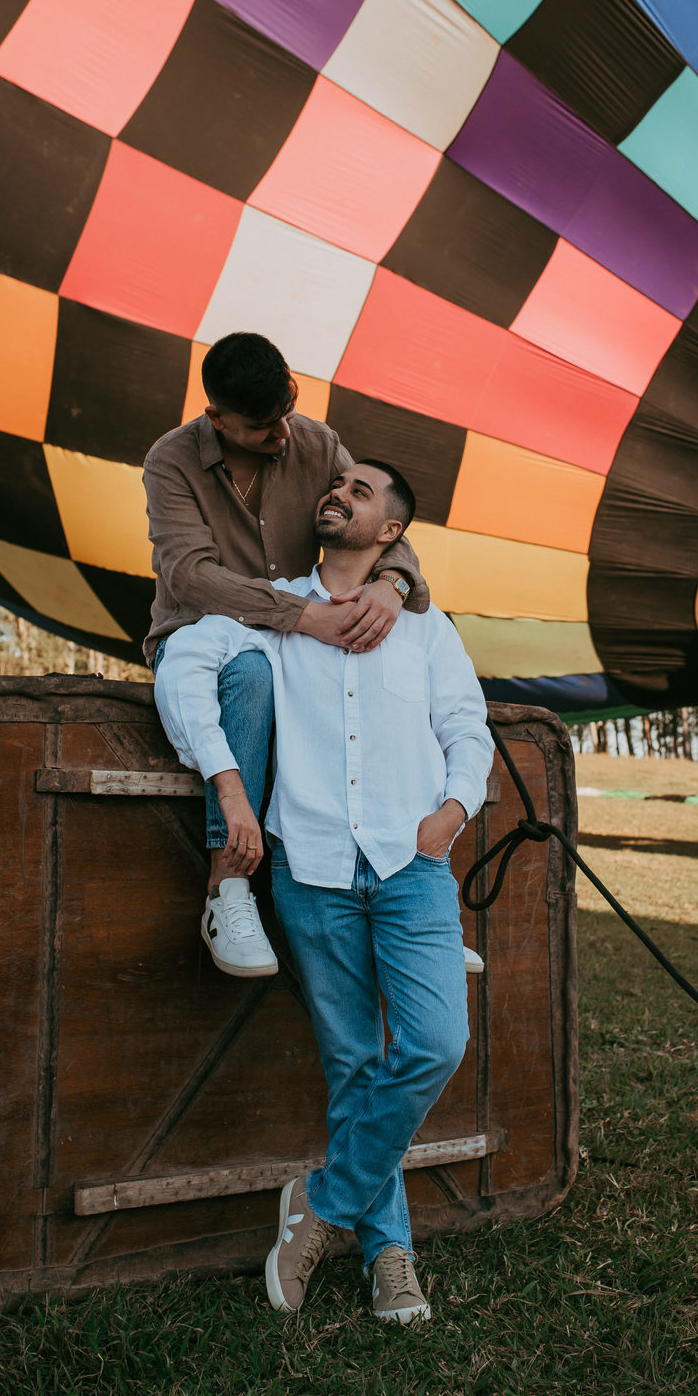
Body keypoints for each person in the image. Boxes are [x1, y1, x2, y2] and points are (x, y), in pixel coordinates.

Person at [154, 460, 494, 1324]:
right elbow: (185, 665)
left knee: (435, 1044)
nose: (338, 488)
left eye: (364, 488)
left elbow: (467, 728)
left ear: (391, 534)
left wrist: (451, 813)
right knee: (353, 1065)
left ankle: (323, 1203)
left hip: (411, 864)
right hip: (310, 870)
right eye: (335, 479)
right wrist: (228, 782)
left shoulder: (425, 629)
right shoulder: (273, 613)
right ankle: (391, 1259)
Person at [143, 332, 427, 976]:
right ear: (217, 418)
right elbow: (189, 576)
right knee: (250, 675)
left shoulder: (316, 441)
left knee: (387, 682)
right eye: (264, 427)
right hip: (207, 641)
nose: (283, 433)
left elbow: (380, 514)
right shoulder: (171, 461)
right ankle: (228, 888)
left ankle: (416, 902)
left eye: (288, 411)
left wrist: (394, 582)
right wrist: (304, 615)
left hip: (306, 640)